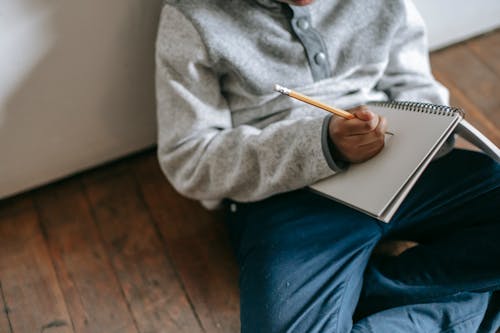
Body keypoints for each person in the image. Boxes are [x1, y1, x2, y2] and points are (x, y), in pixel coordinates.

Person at [155, 0, 500, 332]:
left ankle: (353, 295)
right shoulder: (192, 16)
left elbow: (413, 82)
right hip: (286, 195)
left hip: (402, 168)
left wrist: (418, 132)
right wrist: (318, 145)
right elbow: (189, 158)